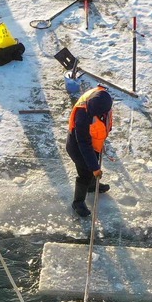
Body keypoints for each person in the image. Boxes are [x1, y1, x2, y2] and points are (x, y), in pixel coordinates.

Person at [66, 85, 113, 218]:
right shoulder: (83, 116)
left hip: (94, 143)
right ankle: (78, 202)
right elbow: (83, 144)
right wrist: (94, 168)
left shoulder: (101, 96)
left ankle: (92, 186)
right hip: (78, 148)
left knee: (93, 164)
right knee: (85, 172)